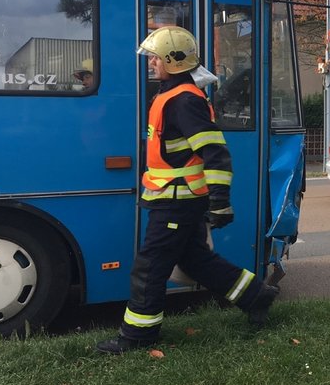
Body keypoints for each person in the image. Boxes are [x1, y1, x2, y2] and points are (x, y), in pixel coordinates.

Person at [96, 26, 278, 354]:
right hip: (176, 198)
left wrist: (221, 201)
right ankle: (256, 296)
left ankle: (137, 336)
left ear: (173, 60)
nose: (151, 62)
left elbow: (215, 151)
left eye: (156, 57)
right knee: (194, 260)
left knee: (150, 266)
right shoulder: (172, 95)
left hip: (178, 201)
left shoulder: (184, 100)